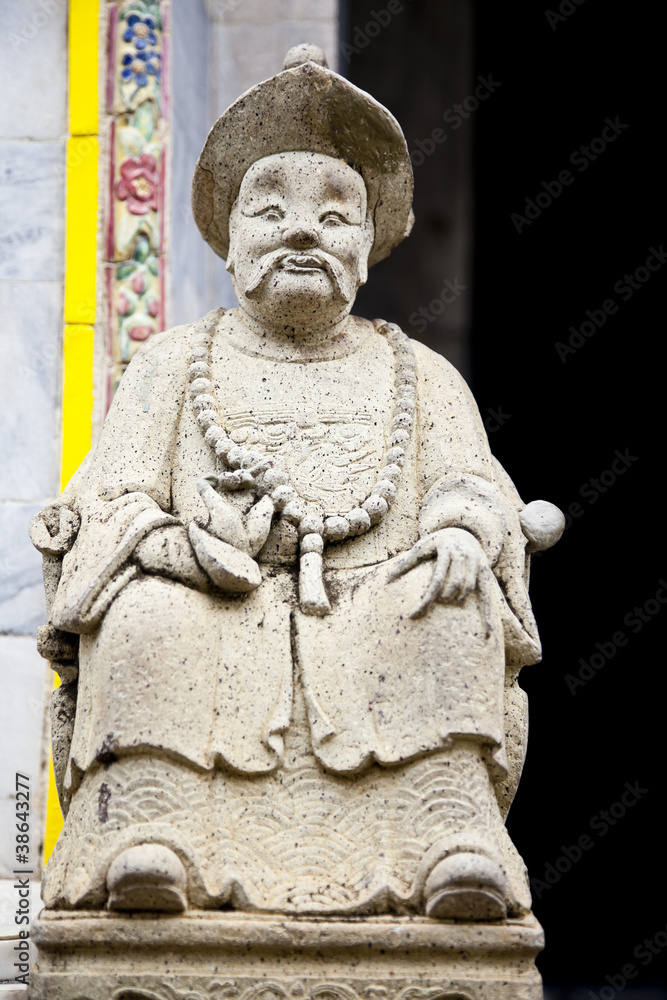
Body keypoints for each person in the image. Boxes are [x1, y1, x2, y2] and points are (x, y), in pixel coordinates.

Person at [31, 45, 563, 921]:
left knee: (449, 606)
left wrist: (465, 532)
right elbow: (107, 500)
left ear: (366, 245)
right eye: (270, 211)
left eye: (333, 215)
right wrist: (180, 547)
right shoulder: (172, 366)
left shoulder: (418, 373)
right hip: (211, 597)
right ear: (232, 240)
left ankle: (445, 840)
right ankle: (149, 837)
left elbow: (474, 484)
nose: (302, 231)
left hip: (379, 596)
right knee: (143, 614)